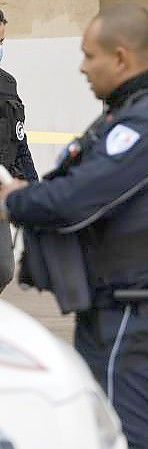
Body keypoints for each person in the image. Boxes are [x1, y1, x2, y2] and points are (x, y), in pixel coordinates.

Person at [0, 5, 148, 449]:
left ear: (121, 58)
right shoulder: (141, 110)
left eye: (89, 55)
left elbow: (75, 201)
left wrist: (13, 200)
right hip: (131, 308)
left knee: (122, 440)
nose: (81, 67)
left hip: (136, 316)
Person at [0, 8, 38, 291]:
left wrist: (34, 188)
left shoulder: (7, 84)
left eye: (0, 43)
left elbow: (19, 140)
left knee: (2, 269)